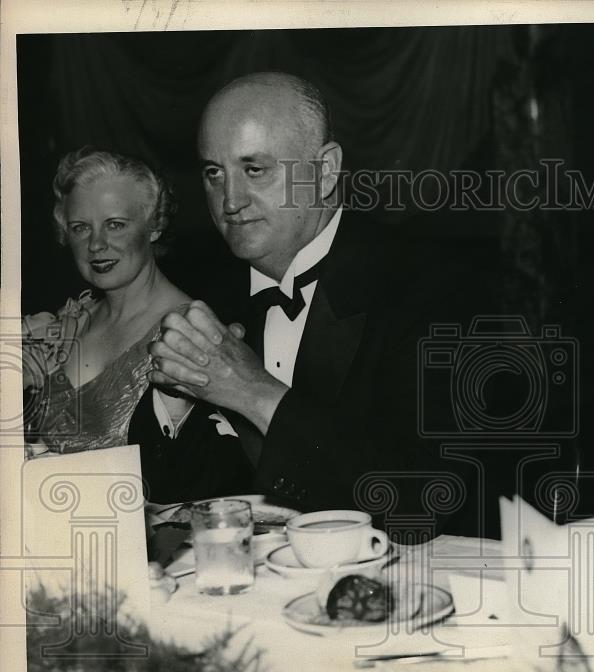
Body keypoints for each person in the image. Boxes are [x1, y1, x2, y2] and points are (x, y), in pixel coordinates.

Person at [148, 72, 472, 536]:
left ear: (324, 171)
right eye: (213, 173)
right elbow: (176, 504)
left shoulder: (431, 285)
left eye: (254, 169)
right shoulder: (210, 299)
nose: (230, 201)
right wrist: (175, 400)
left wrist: (255, 393)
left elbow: (427, 498)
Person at [22, 147, 252, 503]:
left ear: (154, 226)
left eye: (115, 224)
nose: (96, 244)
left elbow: (212, 484)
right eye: (80, 228)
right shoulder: (69, 324)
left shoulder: (192, 333)